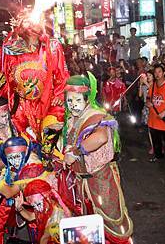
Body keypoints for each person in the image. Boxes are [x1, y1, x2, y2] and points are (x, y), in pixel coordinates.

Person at [62, 73, 133, 244]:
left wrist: (75, 152)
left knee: (112, 225)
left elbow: (101, 138)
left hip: (101, 181)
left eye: (78, 100)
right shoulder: (72, 119)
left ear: (87, 99)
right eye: (70, 100)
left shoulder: (97, 116)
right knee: (89, 230)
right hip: (81, 183)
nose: (73, 105)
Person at [0, 14, 69, 138]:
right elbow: (4, 76)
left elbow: (62, 75)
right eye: (27, 21)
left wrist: (60, 95)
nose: (32, 25)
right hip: (21, 104)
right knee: (24, 144)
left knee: (49, 141)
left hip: (47, 101)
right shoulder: (11, 48)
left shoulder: (52, 46)